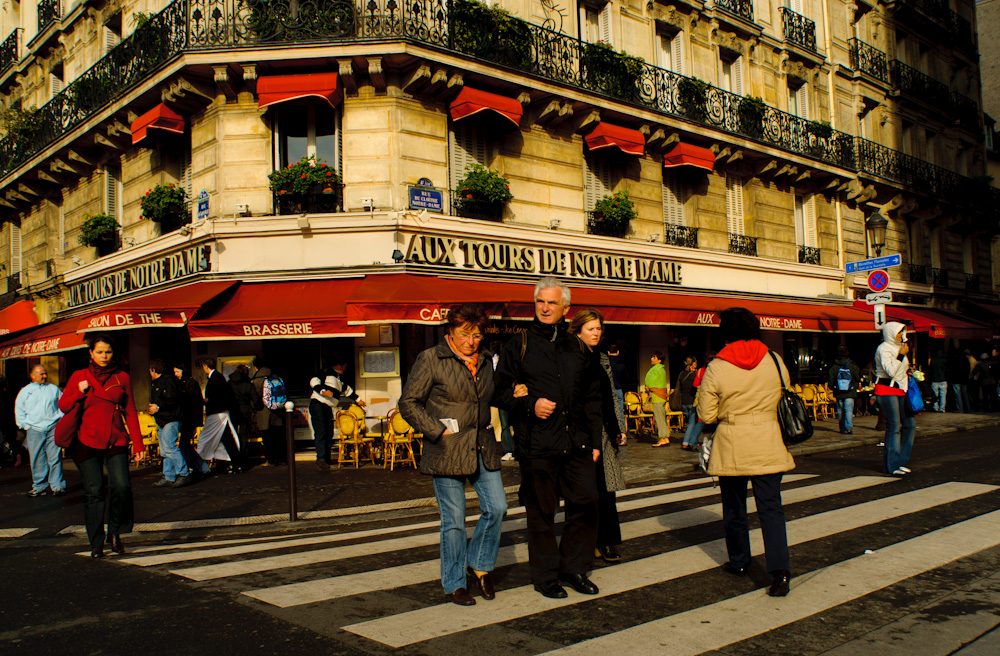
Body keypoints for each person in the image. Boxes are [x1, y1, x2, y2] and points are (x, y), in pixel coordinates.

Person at [494, 277, 602, 599]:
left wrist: (595, 440)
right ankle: (545, 575)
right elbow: (498, 391)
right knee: (541, 513)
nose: (544, 307)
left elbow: (593, 397)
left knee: (586, 503)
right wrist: (530, 404)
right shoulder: (519, 344)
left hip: (577, 443)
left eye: (552, 303)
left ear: (566, 308)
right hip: (537, 445)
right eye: (540, 301)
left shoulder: (578, 346)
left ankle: (574, 568)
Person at [399, 304, 507, 606]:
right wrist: (436, 430)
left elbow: (490, 396)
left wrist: (517, 392)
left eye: (476, 335)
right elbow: (408, 402)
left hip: (482, 445)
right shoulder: (431, 359)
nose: (471, 341)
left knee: (497, 508)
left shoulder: (485, 360)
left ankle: (479, 563)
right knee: (454, 520)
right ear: (451, 331)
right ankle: (455, 582)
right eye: (464, 335)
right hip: (446, 449)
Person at [697, 308, 794, 597]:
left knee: (735, 507)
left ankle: (740, 561)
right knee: (771, 508)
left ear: (725, 331)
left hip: (733, 440)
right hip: (768, 438)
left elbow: (707, 413)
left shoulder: (718, 365)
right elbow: (785, 394)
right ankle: (780, 571)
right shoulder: (774, 360)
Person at [57, 334, 145, 558]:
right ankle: (96, 542)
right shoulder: (79, 376)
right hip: (86, 440)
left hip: (116, 439)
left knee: (122, 486)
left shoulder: (122, 377)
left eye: (108, 352)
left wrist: (138, 444)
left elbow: (131, 411)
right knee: (94, 491)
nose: (104, 356)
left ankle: (115, 533)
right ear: (91, 353)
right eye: (99, 352)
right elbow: (63, 405)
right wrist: (79, 391)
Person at [568, 309, 628, 563]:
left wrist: (619, 427)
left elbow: (612, 395)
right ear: (578, 330)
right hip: (579, 433)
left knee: (605, 491)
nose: (596, 332)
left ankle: (605, 541)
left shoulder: (602, 359)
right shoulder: (569, 357)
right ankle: (584, 542)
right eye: (590, 328)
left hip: (603, 432)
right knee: (583, 492)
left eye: (599, 328)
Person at [15, 365, 66, 497]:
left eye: (45, 373)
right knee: (37, 458)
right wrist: (25, 425)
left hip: (52, 427)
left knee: (55, 457)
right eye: (41, 374)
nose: (44, 376)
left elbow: (62, 404)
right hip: (34, 428)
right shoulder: (25, 391)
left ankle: (57, 485)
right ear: (33, 375)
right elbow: (19, 409)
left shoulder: (53, 389)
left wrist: (60, 419)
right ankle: (39, 486)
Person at [875, 321, 916, 476]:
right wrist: (901, 355)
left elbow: (900, 371)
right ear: (891, 333)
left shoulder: (899, 348)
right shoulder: (883, 348)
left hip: (901, 389)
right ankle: (891, 465)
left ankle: (901, 461)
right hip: (887, 390)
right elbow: (891, 371)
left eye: (903, 333)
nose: (902, 336)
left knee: (910, 425)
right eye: (899, 332)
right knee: (894, 427)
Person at [309, 356, 361, 469]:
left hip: (327, 407)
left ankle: (326, 458)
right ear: (339, 366)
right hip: (318, 405)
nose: (346, 369)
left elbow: (346, 390)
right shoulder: (326, 372)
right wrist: (323, 391)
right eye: (345, 367)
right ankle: (321, 458)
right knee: (321, 431)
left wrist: (358, 400)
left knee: (329, 432)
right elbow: (314, 381)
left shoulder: (339, 378)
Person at [197, 356, 245, 473]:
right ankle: (235, 463)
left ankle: (198, 463)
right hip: (222, 412)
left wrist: (208, 400)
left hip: (217, 413)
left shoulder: (215, 379)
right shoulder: (218, 377)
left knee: (205, 438)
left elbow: (220, 396)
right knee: (226, 438)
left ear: (205, 367)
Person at [148, 358, 192, 488]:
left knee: (169, 448)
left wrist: (158, 407)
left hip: (170, 419)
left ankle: (184, 473)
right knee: (165, 450)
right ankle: (169, 476)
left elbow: (173, 400)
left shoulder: (167, 382)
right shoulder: (160, 382)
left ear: (153, 370)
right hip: (163, 419)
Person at [174, 363, 210, 478]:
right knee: (186, 445)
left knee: (184, 445)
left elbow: (194, 403)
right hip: (187, 419)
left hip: (189, 419)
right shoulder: (183, 383)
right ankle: (202, 467)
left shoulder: (190, 384)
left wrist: (195, 422)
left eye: (177, 372)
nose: (176, 374)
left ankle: (192, 467)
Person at [251, 357, 285, 466]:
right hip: (277, 412)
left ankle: (270, 459)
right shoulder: (276, 378)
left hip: (263, 413)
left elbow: (254, 398)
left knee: (267, 437)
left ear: (256, 367)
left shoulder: (256, 381)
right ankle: (281, 458)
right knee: (278, 436)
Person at [828, 345, 861, 434]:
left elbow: (830, 379)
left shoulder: (834, 366)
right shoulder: (852, 365)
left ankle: (842, 428)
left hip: (838, 392)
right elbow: (857, 378)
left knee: (840, 411)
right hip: (850, 391)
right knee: (848, 410)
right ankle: (849, 428)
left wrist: (832, 387)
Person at [644, 351, 670, 447]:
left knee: (659, 418)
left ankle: (662, 438)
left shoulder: (657, 369)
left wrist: (649, 387)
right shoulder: (661, 369)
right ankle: (665, 437)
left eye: (654, 357)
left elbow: (652, 382)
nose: (651, 359)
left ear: (659, 360)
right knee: (661, 417)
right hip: (660, 396)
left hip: (657, 396)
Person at [228, 364, 255, 449]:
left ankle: (234, 454)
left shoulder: (229, 383)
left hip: (232, 409)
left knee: (232, 433)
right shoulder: (248, 384)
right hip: (245, 410)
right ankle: (243, 454)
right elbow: (255, 398)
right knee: (243, 434)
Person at [677, 356, 700, 451]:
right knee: (692, 423)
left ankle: (694, 441)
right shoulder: (694, 375)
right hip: (691, 401)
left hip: (683, 402)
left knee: (690, 422)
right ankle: (686, 442)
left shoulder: (681, 374)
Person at [606, 344, 629, 418]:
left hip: (609, 389)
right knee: (620, 411)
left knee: (609, 411)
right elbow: (626, 378)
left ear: (608, 352)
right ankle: (622, 428)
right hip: (619, 389)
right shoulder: (622, 365)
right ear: (618, 352)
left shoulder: (606, 364)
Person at [947, 349, 970, 413]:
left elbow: (951, 370)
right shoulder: (966, 360)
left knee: (958, 395)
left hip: (956, 379)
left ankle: (960, 408)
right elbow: (968, 369)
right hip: (964, 379)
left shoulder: (954, 360)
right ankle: (968, 408)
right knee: (965, 394)